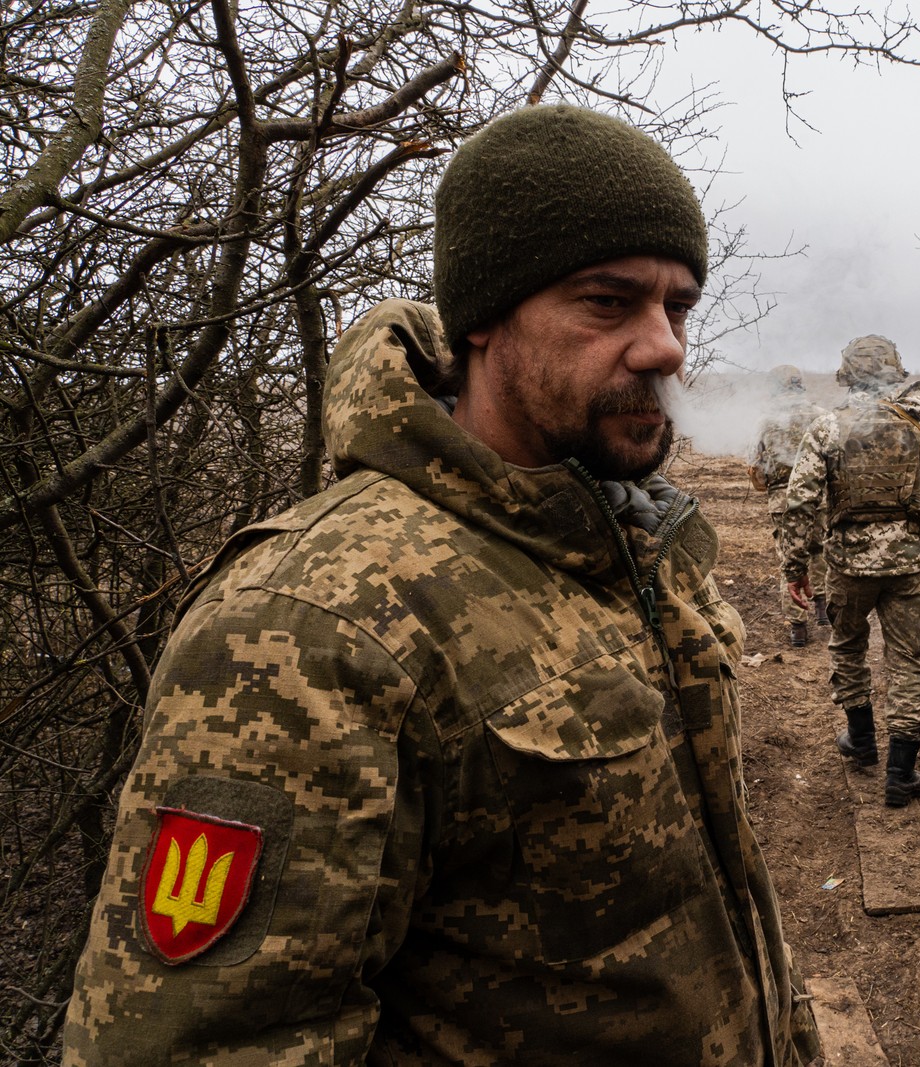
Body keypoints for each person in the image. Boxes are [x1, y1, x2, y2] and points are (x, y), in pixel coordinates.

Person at [63, 105, 820, 1067]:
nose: (666, 346)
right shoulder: (313, 622)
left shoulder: (621, 538)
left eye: (677, 307)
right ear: (483, 319)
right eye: (607, 301)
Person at [780, 336, 920, 808]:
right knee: (907, 663)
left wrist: (795, 566)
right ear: (894, 370)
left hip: (847, 564)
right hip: (909, 564)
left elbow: (799, 502)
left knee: (848, 647)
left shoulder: (828, 427)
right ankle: (901, 773)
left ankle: (861, 741)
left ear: (846, 374)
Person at [749, 365, 829, 648]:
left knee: (789, 558)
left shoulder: (765, 420)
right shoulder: (822, 416)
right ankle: (822, 607)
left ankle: (798, 628)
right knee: (820, 550)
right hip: (821, 497)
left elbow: (756, 468)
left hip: (782, 500)